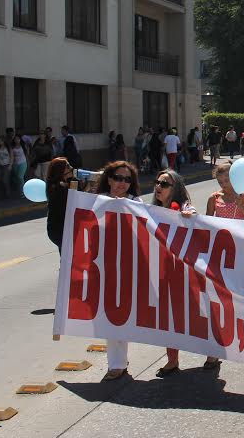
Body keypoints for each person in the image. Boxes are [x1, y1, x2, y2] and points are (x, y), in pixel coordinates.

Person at [150, 169, 221, 376]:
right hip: (164, 272)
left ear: (176, 189)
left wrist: (190, 217)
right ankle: (172, 360)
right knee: (168, 318)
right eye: (157, 182)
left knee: (198, 315)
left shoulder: (184, 208)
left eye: (164, 184)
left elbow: (196, 223)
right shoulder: (151, 210)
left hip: (186, 273)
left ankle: (212, 353)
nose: (158, 187)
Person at [95, 160, 143, 381]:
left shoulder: (136, 203)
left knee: (123, 313)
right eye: (118, 178)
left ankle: (119, 361)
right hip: (102, 265)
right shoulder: (95, 201)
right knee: (108, 313)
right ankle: (116, 363)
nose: (122, 183)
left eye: (127, 179)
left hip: (128, 265)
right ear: (110, 179)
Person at [45, 158, 77, 253]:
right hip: (60, 229)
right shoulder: (57, 188)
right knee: (67, 256)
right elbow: (73, 197)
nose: (71, 168)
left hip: (64, 228)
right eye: (67, 166)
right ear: (60, 171)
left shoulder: (64, 184)